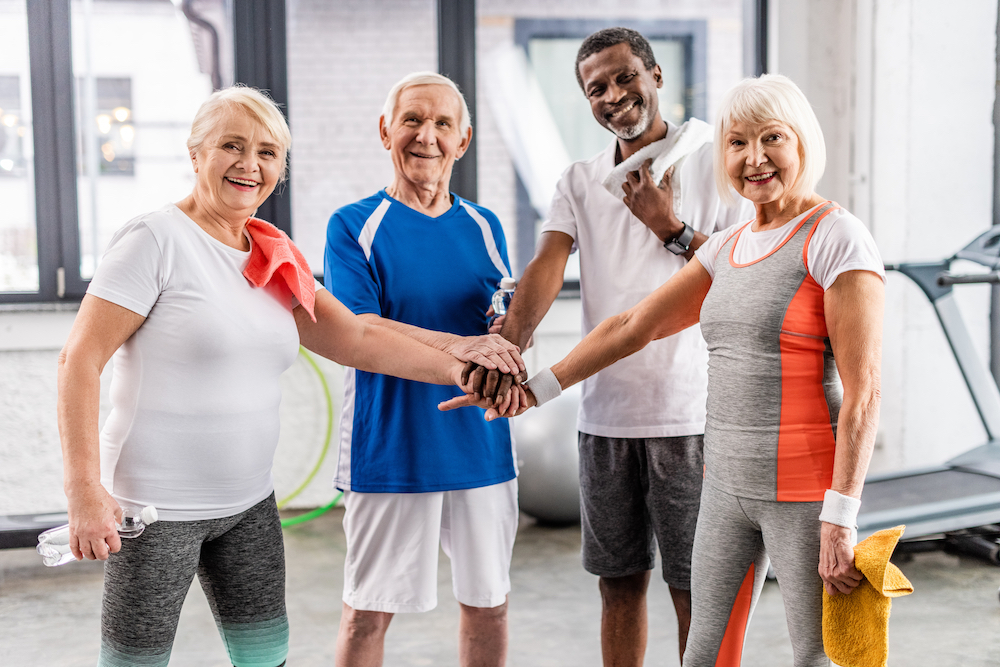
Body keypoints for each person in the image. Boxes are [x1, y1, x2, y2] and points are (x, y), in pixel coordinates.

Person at [57, 85, 518, 667]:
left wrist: (461, 365)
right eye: (232, 145)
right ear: (196, 153)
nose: (250, 164)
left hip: (249, 504)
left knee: (265, 658)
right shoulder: (154, 240)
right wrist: (83, 489)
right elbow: (79, 360)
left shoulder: (273, 252)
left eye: (267, 152)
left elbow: (357, 339)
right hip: (155, 509)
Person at [448, 73, 885, 666]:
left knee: (816, 657)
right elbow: (633, 326)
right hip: (724, 493)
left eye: (772, 138)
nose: (754, 158)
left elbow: (864, 394)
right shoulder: (726, 247)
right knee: (703, 655)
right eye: (737, 142)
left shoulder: (837, 236)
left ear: (803, 141)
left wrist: (841, 515)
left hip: (805, 494)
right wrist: (533, 390)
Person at [463, 27, 752, 666]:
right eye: (597, 88)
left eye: (626, 77)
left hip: (692, 418)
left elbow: (742, 273)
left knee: (696, 592)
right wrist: (507, 351)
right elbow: (545, 267)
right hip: (605, 420)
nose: (614, 95)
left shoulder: (714, 162)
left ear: (655, 75)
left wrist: (668, 226)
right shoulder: (580, 180)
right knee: (617, 587)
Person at [324, 72, 525, 667]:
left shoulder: (486, 226)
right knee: (366, 613)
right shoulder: (352, 225)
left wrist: (504, 337)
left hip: (480, 441)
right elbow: (361, 329)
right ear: (385, 131)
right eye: (412, 119)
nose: (426, 136)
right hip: (391, 446)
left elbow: (501, 324)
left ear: (463, 140)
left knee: (490, 605)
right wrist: (464, 348)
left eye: (442, 123)